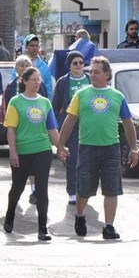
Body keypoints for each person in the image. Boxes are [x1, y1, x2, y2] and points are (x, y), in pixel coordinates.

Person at [57, 56, 139, 240]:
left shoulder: (117, 96)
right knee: (84, 188)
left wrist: (134, 148)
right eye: (91, 71)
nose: (92, 74)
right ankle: (80, 216)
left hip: (111, 148)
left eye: (96, 72)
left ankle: (109, 226)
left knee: (112, 189)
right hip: (87, 148)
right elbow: (70, 120)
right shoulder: (81, 95)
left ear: (107, 75)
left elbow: (128, 123)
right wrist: (60, 144)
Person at [3, 67, 60, 241]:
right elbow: (11, 129)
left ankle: (42, 228)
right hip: (22, 151)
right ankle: (10, 213)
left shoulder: (45, 102)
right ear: (24, 81)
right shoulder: (15, 102)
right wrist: (13, 151)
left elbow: (52, 129)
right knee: (17, 188)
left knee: (42, 189)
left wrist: (61, 147)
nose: (37, 83)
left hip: (42, 150)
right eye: (33, 79)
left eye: (39, 79)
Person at [51, 51, 91, 205]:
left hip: (88, 126)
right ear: (69, 65)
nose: (79, 65)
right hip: (71, 126)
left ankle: (84, 189)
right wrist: (55, 126)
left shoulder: (89, 78)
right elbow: (55, 106)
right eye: (75, 63)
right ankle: (72, 192)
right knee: (72, 159)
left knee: (87, 160)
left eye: (81, 62)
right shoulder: (63, 82)